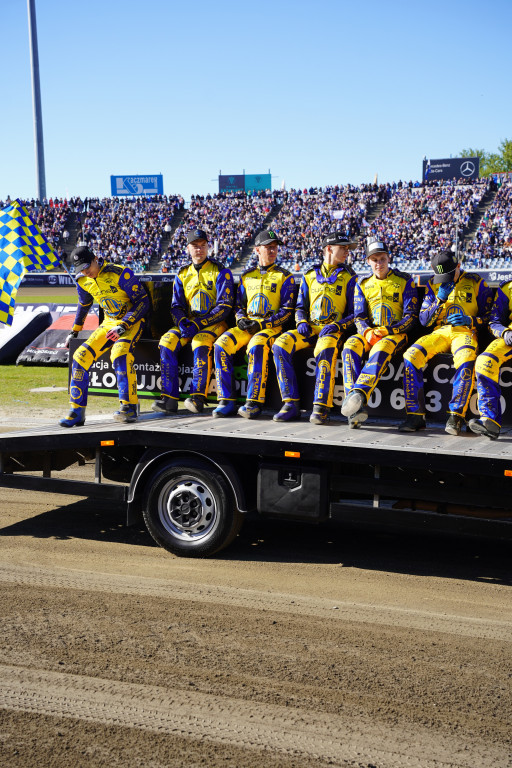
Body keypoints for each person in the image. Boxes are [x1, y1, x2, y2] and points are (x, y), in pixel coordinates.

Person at [399, 249, 493, 435]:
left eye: (450, 275)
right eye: (442, 276)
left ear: (458, 266)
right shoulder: (432, 285)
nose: (446, 280)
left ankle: (456, 416)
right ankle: (415, 415)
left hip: (465, 332)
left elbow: (490, 317)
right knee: (411, 355)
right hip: (439, 332)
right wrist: (439, 299)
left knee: (466, 359)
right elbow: (424, 320)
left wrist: (471, 321)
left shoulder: (476, 282)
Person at [59, 245, 149, 427]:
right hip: (108, 323)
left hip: (132, 323)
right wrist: (74, 331)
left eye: (87, 266)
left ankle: (129, 407)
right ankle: (77, 411)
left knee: (119, 353)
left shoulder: (120, 274)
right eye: (81, 269)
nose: (85, 271)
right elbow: (84, 304)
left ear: (96, 259)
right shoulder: (82, 280)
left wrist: (124, 326)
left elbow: (143, 302)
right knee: (79, 356)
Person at [272, 231, 357, 424]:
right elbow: (300, 306)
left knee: (325, 349)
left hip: (334, 331)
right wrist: (301, 321)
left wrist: (338, 325)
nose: (346, 252)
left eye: (347, 249)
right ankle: (290, 403)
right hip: (309, 329)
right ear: (328, 249)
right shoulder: (309, 275)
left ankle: (320, 406)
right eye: (342, 248)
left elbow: (355, 314)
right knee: (279, 345)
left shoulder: (350, 277)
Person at [213, 229, 298, 418]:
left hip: (270, 328)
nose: (273, 251)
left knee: (257, 346)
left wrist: (262, 325)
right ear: (257, 250)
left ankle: (253, 402)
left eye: (275, 247)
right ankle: (226, 400)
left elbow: (286, 312)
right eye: (268, 247)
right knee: (220, 345)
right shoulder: (246, 276)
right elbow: (238, 305)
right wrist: (240, 319)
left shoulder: (285, 276)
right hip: (246, 326)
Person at [152, 229, 234, 414]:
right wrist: (182, 323)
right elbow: (176, 306)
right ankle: (169, 399)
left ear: (208, 247)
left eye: (203, 245)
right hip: (189, 324)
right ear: (188, 249)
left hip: (214, 323)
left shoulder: (220, 271)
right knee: (167, 342)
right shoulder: (182, 273)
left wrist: (198, 324)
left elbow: (224, 307)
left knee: (200, 342)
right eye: (195, 246)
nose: (199, 250)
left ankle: (197, 397)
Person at [341, 238, 419, 427]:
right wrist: (366, 331)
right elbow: (358, 316)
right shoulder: (363, 283)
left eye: (382, 259)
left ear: (388, 258)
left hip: (395, 334)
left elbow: (411, 316)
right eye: (374, 260)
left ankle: (357, 394)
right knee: (349, 347)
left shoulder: (404, 280)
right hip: (370, 332)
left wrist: (388, 330)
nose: (379, 264)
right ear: (368, 261)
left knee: (381, 348)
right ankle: (355, 411)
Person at [468, 279, 512, 440]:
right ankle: (489, 421)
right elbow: (494, 321)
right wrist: (505, 332)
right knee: (484, 361)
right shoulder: (507, 288)